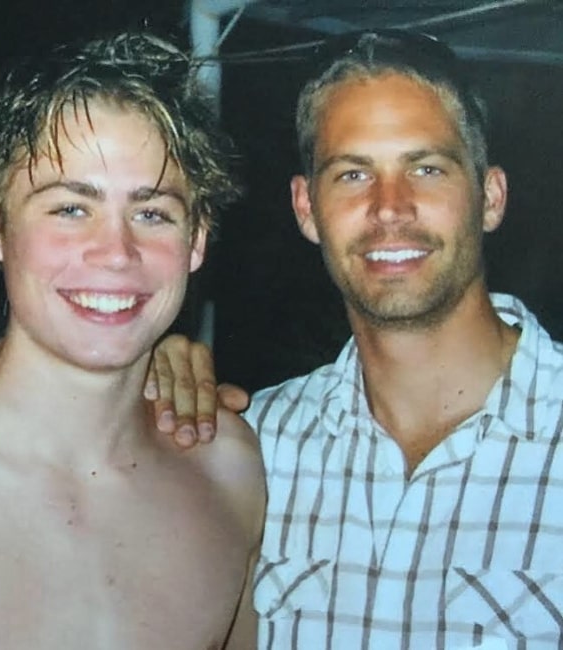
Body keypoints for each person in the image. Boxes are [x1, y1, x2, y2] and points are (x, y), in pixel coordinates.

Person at [147, 30, 563, 649]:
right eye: (351, 174)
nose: (389, 207)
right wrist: (132, 382)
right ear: (306, 208)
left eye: (426, 168)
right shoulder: (257, 448)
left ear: (490, 197)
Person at [0, 31, 265, 649]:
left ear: (197, 242)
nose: (116, 252)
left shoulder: (231, 469)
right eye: (70, 208)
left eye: (152, 213)